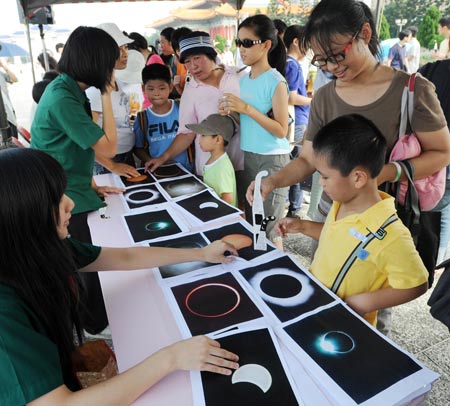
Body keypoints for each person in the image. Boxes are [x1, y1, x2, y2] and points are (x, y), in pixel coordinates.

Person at [246, 0, 450, 332]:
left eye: (336, 55)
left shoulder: (412, 90)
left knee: (365, 314)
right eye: (321, 60)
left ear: (363, 34)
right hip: (332, 211)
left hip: (381, 219)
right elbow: (309, 159)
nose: (330, 67)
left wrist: (383, 173)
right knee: (325, 292)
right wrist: (273, 181)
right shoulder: (325, 97)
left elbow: (441, 153)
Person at [0, 148, 240, 404]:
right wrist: (172, 358)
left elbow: (126, 257)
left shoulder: (37, 249)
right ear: (20, 212)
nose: (70, 203)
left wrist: (201, 253)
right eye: (55, 199)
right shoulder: (5, 313)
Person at [276, 114, 428, 326]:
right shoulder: (341, 203)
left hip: (344, 323)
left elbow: (417, 283)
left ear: (357, 178)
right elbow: (340, 237)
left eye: (326, 176)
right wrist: (303, 226)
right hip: (318, 303)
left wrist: (363, 302)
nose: (320, 182)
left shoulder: (389, 234)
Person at [31, 26, 125, 334]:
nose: (113, 68)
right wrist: (108, 95)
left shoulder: (69, 89)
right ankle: (95, 325)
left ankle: (95, 318)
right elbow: (109, 146)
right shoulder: (62, 98)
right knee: (86, 263)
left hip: (73, 187)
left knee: (87, 260)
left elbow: (77, 144)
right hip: (60, 194)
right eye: (111, 62)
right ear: (97, 62)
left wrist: (93, 185)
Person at [219, 15, 290, 249]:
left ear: (267, 45)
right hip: (250, 155)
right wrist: (232, 112)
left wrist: (246, 108)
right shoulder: (246, 79)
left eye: (248, 43)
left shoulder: (276, 81)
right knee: (254, 224)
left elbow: (281, 130)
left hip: (272, 159)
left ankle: (280, 277)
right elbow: (250, 120)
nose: (241, 49)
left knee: (271, 227)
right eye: (239, 43)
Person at [146, 31, 244, 187]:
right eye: (187, 62)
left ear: (211, 54)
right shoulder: (191, 91)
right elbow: (186, 133)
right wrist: (163, 158)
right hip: (211, 168)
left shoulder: (238, 77)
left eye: (197, 58)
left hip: (243, 164)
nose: (193, 66)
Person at [86, 23, 139, 179]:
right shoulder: (95, 92)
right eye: (118, 49)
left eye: (126, 47)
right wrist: (112, 166)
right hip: (107, 164)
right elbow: (87, 141)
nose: (125, 53)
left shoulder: (119, 85)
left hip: (126, 156)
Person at [419, 58, 450, 264]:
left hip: (426, 155)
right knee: (445, 212)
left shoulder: (432, 69)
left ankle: (425, 257)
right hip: (439, 159)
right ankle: (437, 259)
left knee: (424, 208)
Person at [133, 63, 191, 171]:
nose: (156, 93)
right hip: (157, 172)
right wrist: (151, 160)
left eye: (161, 88)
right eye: (151, 89)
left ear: (170, 87)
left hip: (186, 169)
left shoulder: (181, 107)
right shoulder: (142, 118)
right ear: (143, 89)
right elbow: (138, 148)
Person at [283, 25, 311, 218]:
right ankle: (294, 208)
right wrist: (313, 100)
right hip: (298, 120)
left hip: (292, 120)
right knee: (297, 167)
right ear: (295, 41)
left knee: (290, 165)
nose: (308, 49)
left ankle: (291, 206)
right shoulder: (292, 65)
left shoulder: (283, 62)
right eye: (306, 44)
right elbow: (292, 97)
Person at [186, 113, 237, 206]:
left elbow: (228, 199)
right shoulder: (214, 160)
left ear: (218, 139)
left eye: (203, 135)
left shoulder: (222, 167)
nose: (199, 140)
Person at [170, 26, 192, 96]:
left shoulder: (202, 65)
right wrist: (178, 87)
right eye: (178, 50)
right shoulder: (180, 64)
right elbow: (185, 96)